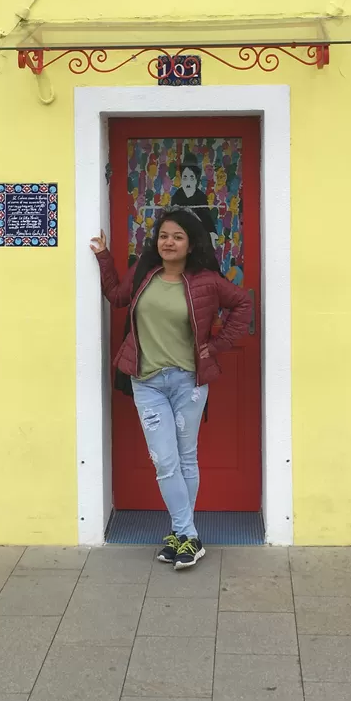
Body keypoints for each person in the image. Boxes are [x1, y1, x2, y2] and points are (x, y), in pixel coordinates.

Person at [90, 209, 251, 568]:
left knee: (186, 457)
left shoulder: (207, 282)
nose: (169, 242)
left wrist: (220, 344)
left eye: (177, 236)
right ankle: (188, 535)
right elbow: (116, 296)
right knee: (165, 461)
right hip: (147, 381)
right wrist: (103, 257)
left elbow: (242, 303)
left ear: (190, 244)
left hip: (187, 381)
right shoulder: (145, 276)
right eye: (164, 236)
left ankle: (181, 536)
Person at [170, 153, 219, 247]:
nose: (188, 182)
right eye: (185, 177)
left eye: (191, 177)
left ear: (196, 179)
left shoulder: (201, 197)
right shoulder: (177, 196)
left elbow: (206, 220)